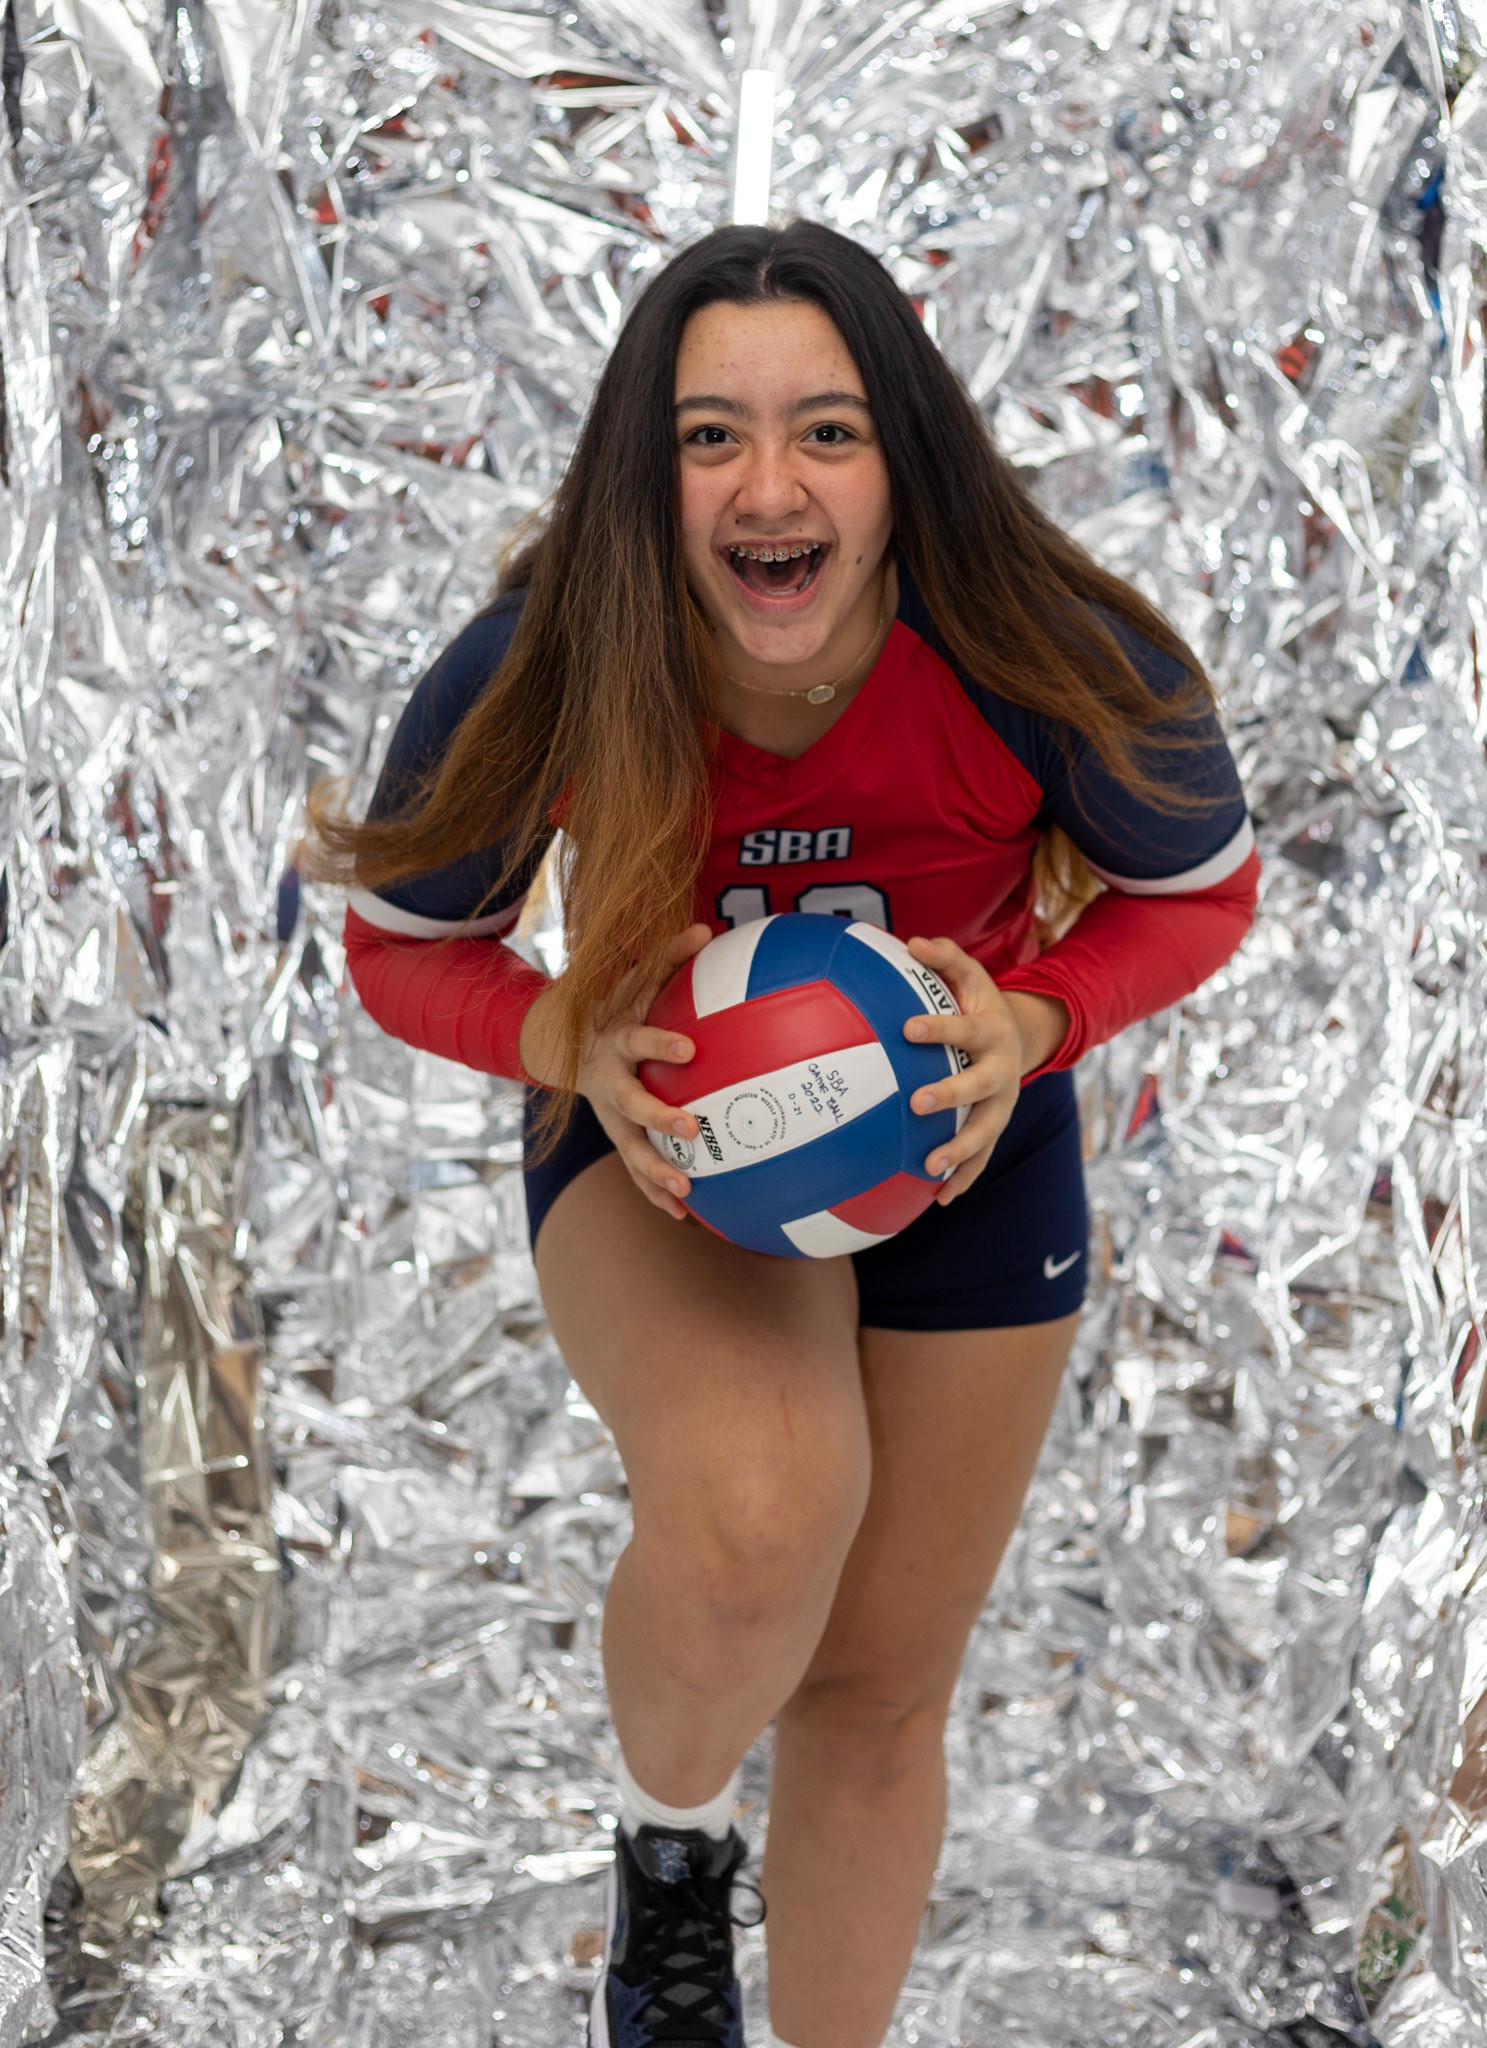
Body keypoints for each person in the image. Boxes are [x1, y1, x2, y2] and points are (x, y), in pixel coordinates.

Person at [312, 220, 1259, 2048]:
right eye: (710, 437)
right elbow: (398, 944)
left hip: (972, 1140)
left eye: (827, 431)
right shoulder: (550, 658)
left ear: (906, 455)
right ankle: (671, 1870)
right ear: (645, 476)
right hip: (664, 1132)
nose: (771, 484)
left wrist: (1044, 1016)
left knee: (878, 1694)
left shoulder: (1042, 652)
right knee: (762, 1515)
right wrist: (560, 1035)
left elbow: (1198, 898)